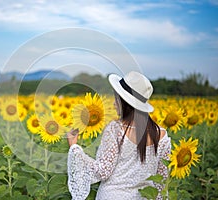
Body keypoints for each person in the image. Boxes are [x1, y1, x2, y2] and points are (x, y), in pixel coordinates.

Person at [67, 71, 171, 200]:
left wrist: (74, 147)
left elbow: (102, 171)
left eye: (117, 99)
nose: (114, 104)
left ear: (125, 103)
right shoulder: (162, 136)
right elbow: (161, 179)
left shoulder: (115, 129)